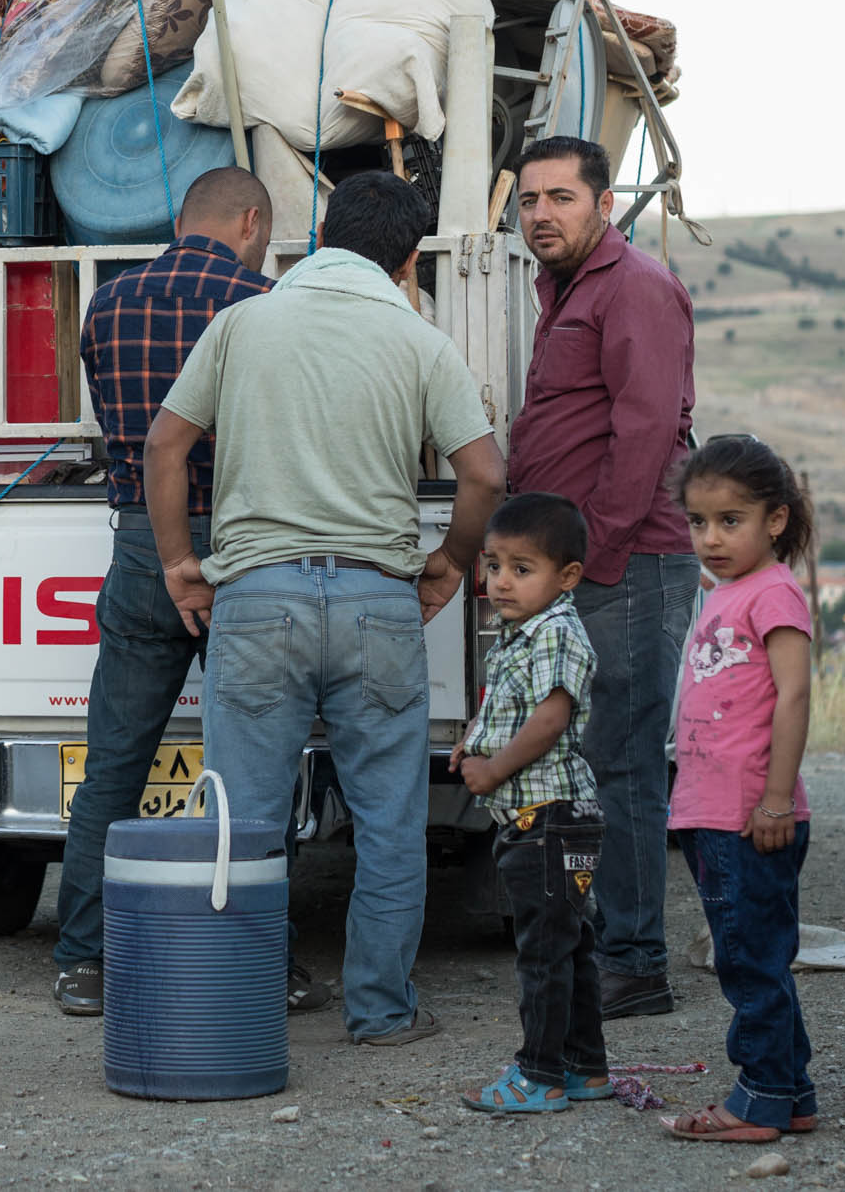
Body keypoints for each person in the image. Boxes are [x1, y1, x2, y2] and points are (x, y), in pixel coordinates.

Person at [146, 171, 505, 1046]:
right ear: (408, 255)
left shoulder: (242, 323)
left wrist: (179, 562)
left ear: (317, 235)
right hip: (376, 602)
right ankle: (380, 1010)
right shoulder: (417, 338)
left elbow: (165, 441)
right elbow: (486, 472)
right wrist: (450, 561)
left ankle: (234, 1005)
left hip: (258, 597)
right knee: (388, 823)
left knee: (244, 820)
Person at [51, 168, 332, 1016]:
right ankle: (262, 961)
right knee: (251, 768)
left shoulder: (108, 304)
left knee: (113, 765)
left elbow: (115, 421)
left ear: (182, 220)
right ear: (251, 221)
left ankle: (84, 961)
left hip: (143, 545)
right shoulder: (269, 306)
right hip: (246, 546)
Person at [507, 134, 697, 1020]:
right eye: (529, 199)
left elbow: (647, 431)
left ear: (603, 199)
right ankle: (616, 947)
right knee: (592, 762)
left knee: (622, 765)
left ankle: (635, 961)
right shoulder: (568, 288)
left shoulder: (637, 288)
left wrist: (602, 558)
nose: (541, 213)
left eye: (561, 198)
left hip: (632, 562)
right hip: (593, 567)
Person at [663, 436, 817, 1145]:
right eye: (699, 521)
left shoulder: (776, 590)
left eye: (731, 520)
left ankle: (758, 1098)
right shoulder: (728, 591)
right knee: (756, 952)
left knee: (748, 958)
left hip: (750, 814)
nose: (711, 537)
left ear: (775, 519)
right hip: (713, 811)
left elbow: (794, 696)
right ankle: (793, 1091)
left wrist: (776, 798)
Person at [453, 493, 609, 1115]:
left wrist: (491, 769)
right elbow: (512, 707)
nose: (501, 582)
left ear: (567, 576)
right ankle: (584, 1067)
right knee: (568, 942)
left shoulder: (558, 632)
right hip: (543, 821)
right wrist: (474, 736)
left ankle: (538, 1076)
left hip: (548, 819)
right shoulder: (523, 634)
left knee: (542, 952)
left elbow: (549, 719)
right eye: (494, 566)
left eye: (522, 569)